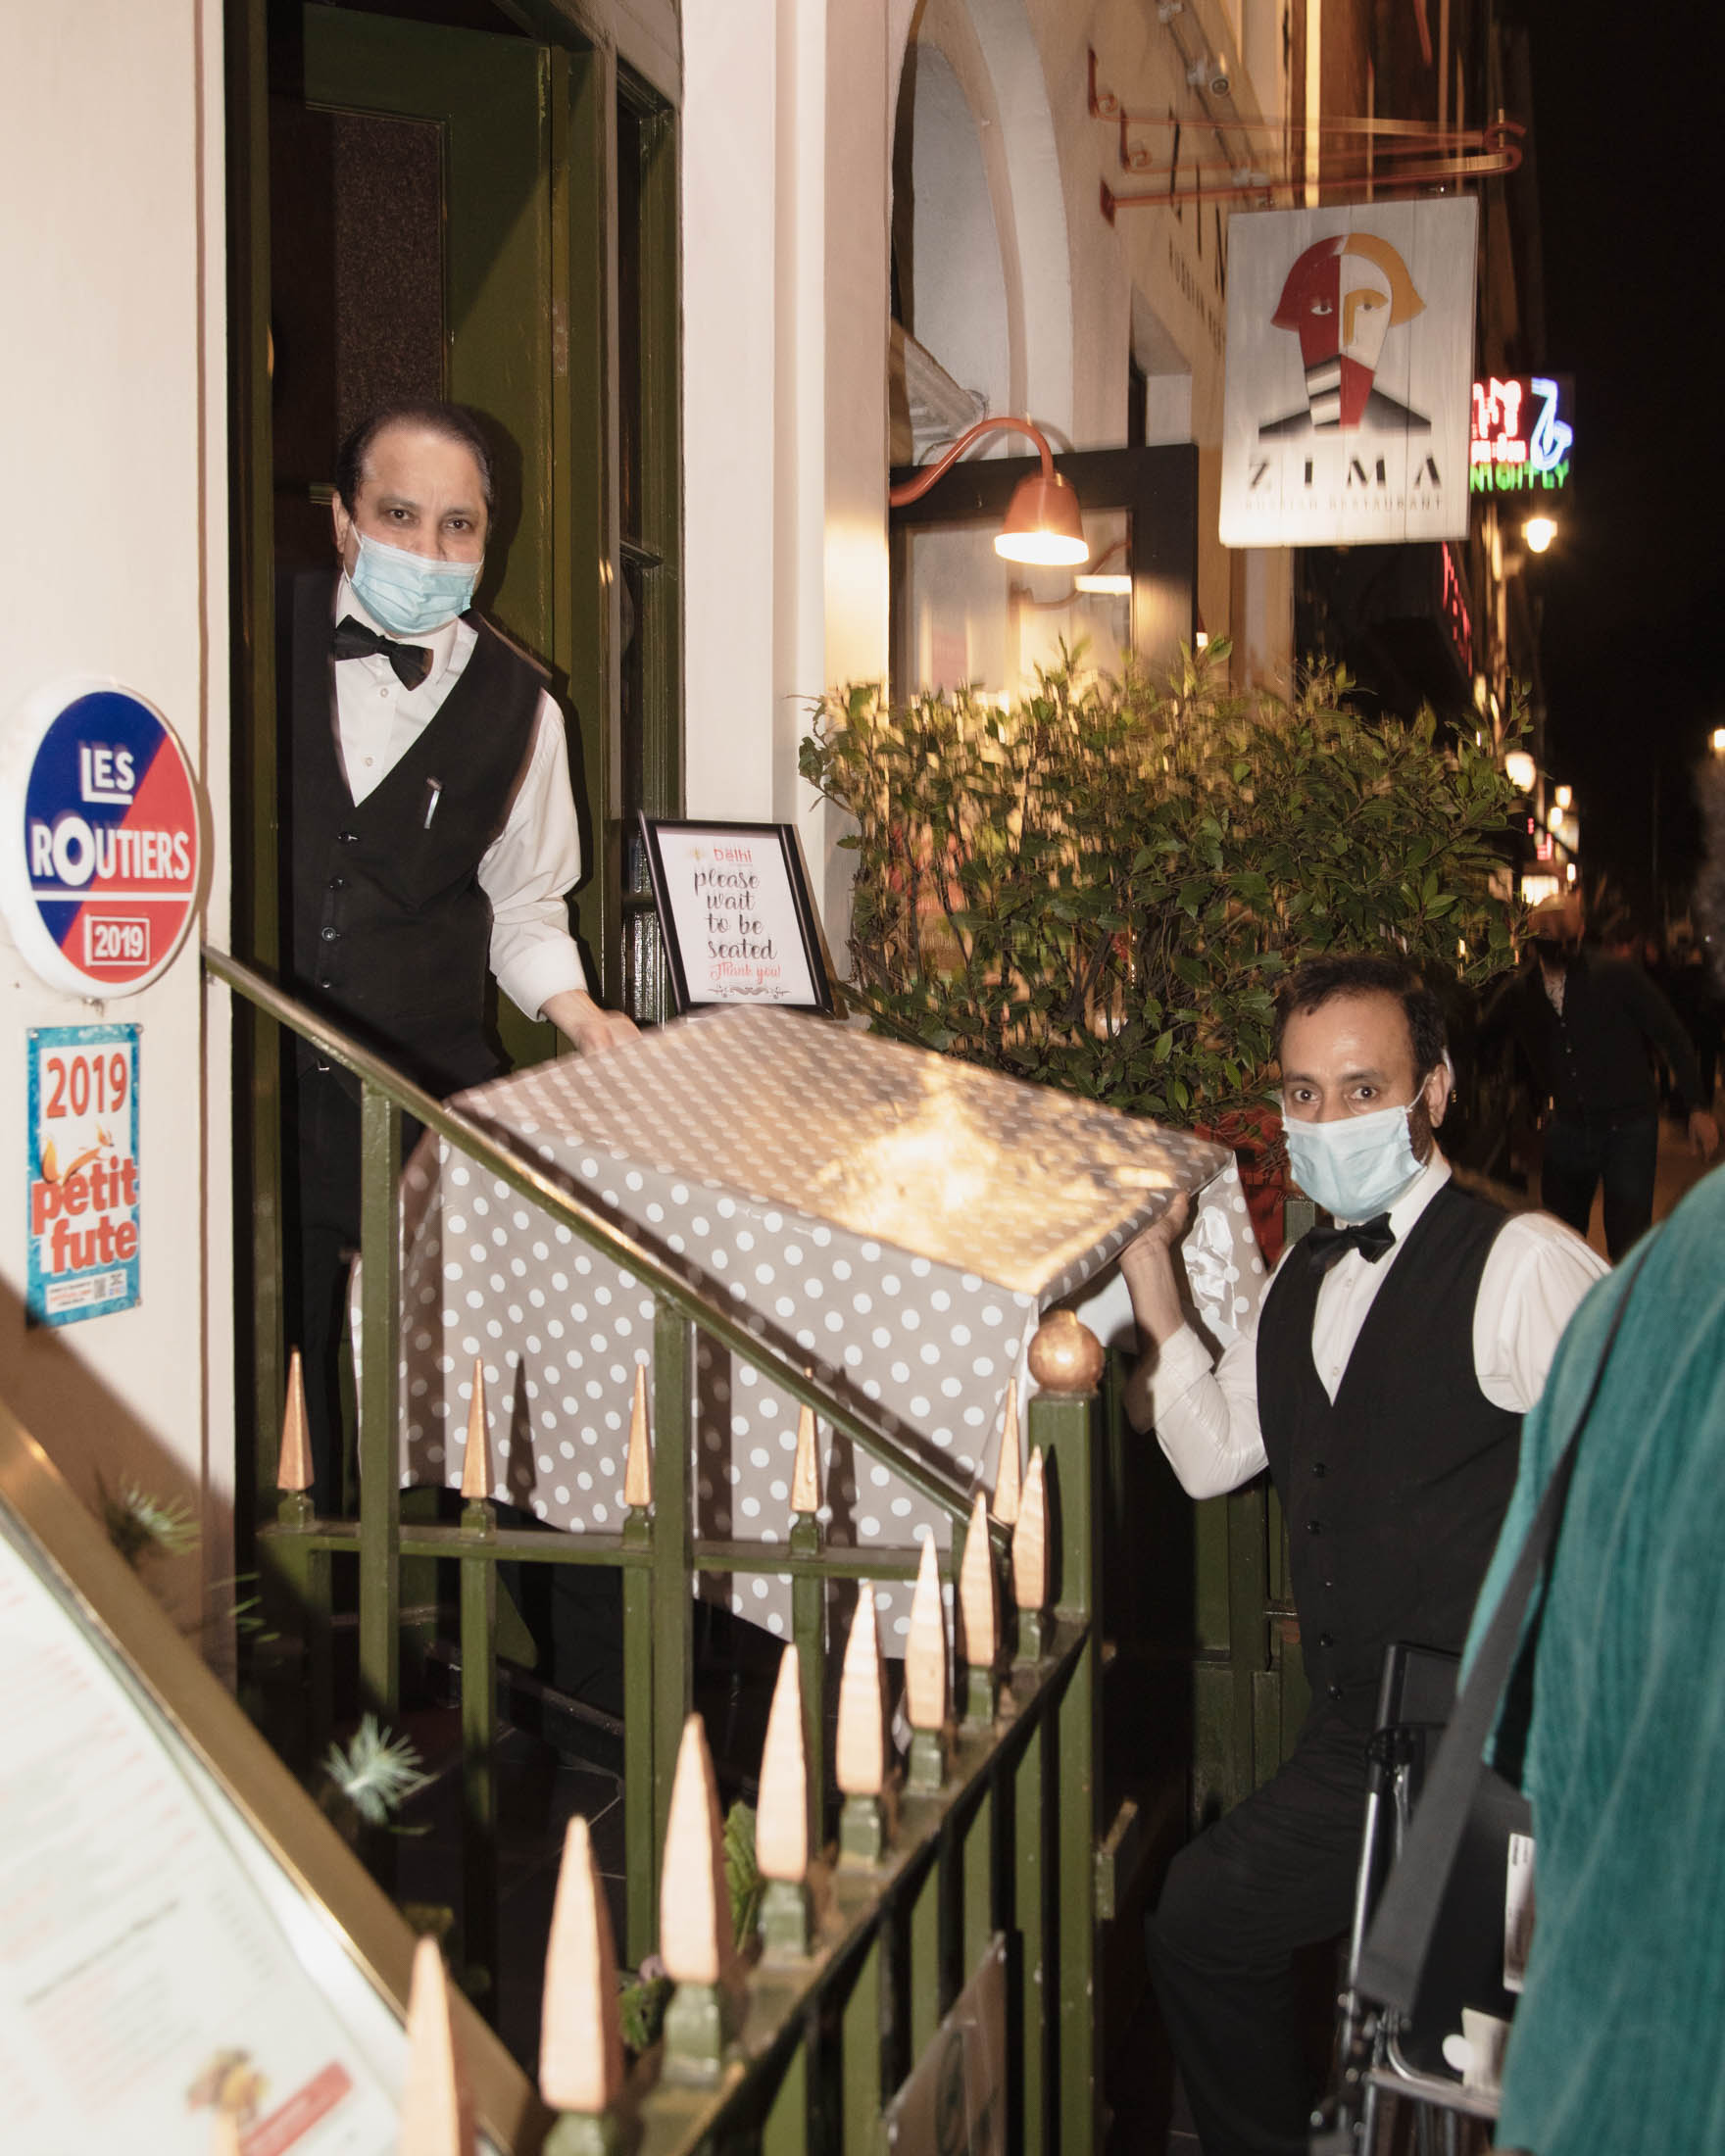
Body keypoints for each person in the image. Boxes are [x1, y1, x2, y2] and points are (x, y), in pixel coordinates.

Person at [1119, 953, 1605, 2156]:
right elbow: (1209, 1452)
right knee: (1200, 1919)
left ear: (1431, 1089)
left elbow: (1651, 1454)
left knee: (1458, 2064)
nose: (1326, 1122)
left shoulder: (1519, 1263)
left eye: (1359, 1088)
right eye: (1300, 1095)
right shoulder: (1299, 1275)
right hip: (1355, 1736)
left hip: (1491, 1743)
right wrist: (1152, 1285)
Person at [280, 398, 636, 1511]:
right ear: (343, 521)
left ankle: (423, 1652)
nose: (428, 551)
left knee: (436, 1426)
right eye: (399, 515)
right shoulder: (247, 629)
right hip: (258, 1108)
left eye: (458, 526)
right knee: (274, 1412)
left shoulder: (526, 709)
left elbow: (525, 907)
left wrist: (580, 1015)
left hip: (427, 1111)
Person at [1482, 892, 1718, 1258]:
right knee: (1561, 1239)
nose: (1560, 946)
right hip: (1569, 1125)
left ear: (1580, 932)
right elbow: (1485, 1039)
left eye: (1566, 935)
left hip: (1629, 1127)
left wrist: (1697, 1107)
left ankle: (1622, 1310)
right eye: (1549, 936)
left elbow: (1671, 1034)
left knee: (1628, 1237)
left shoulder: (1615, 975)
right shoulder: (1521, 991)